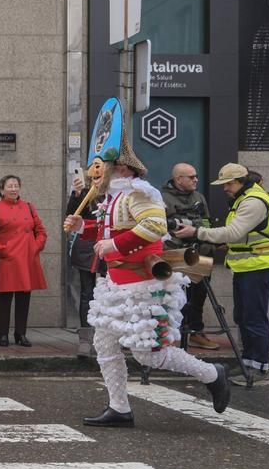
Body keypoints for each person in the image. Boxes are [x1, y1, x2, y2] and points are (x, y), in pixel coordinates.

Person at [65, 139, 230, 426]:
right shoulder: (114, 196)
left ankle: (213, 374)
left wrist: (113, 245)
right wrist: (84, 227)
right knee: (104, 344)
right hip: (115, 284)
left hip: (142, 285)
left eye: (100, 167)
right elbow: (111, 229)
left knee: (148, 355)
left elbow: (154, 227)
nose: (95, 173)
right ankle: (119, 408)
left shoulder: (139, 193)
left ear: (122, 169)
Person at [173, 162, 269, 386]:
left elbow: (233, 232)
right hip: (248, 267)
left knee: (254, 318)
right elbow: (243, 235)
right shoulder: (245, 198)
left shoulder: (253, 202)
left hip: (258, 267)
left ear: (241, 181)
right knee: (243, 317)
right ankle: (249, 363)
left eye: (228, 183)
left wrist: (197, 232)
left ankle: (259, 370)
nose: (224, 188)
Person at [161, 162, 219, 350]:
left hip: (200, 254)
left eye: (196, 176)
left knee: (199, 296)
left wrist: (205, 239)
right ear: (178, 179)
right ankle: (164, 337)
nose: (196, 180)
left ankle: (196, 332)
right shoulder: (162, 198)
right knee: (171, 297)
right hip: (175, 255)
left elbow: (206, 223)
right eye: (191, 177)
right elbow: (160, 228)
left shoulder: (199, 197)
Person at [0, 174, 47, 348]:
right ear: (1, 190)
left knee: (24, 297)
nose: (14, 189)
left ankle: (21, 333)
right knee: (5, 298)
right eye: (10, 186)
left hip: (27, 257)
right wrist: (2, 249)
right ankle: (3, 334)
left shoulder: (29, 207)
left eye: (16, 185)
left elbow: (41, 231)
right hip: (8, 259)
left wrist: (35, 247)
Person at [67, 160, 103, 329]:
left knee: (110, 292)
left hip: (112, 248)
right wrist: (77, 194)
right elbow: (71, 215)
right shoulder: (87, 193)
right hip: (87, 248)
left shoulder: (119, 194)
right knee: (87, 292)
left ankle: (108, 333)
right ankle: (86, 335)